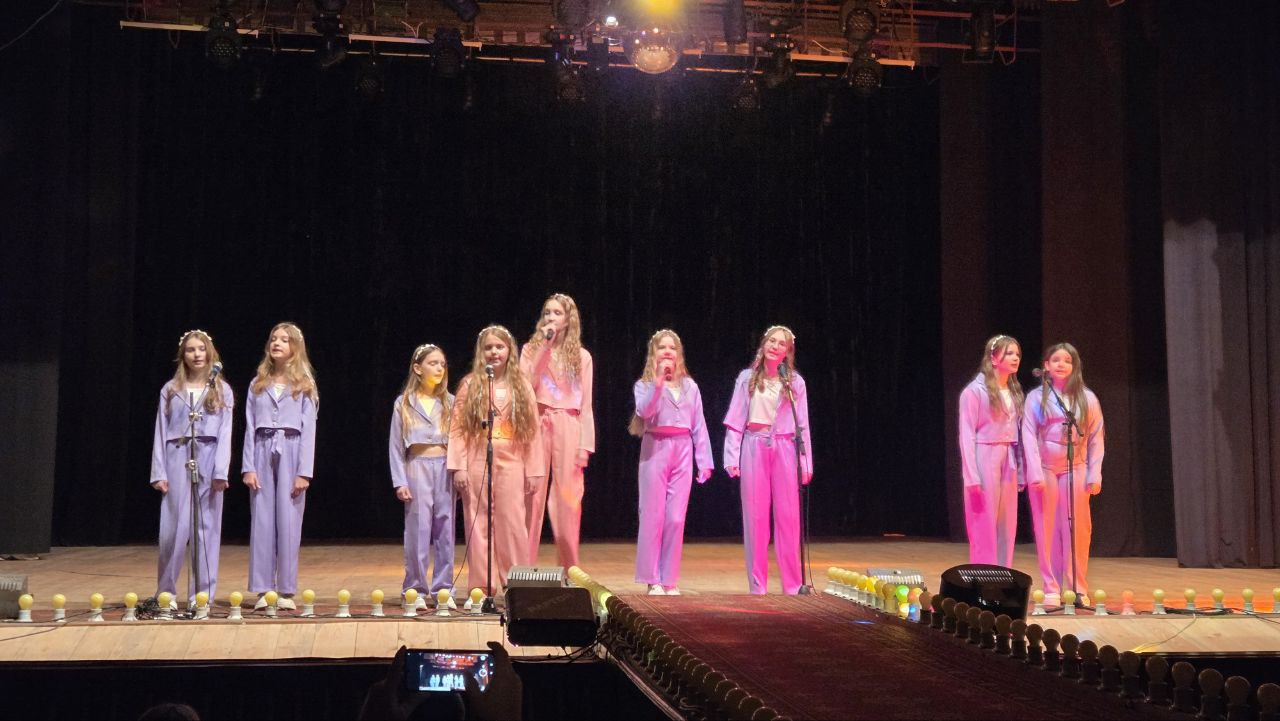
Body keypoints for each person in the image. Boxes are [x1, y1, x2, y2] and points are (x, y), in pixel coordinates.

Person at [448, 325, 545, 597]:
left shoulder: (521, 385)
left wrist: (534, 470)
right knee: (478, 521)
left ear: (509, 350)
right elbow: (458, 428)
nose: (494, 352)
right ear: (481, 352)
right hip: (479, 455)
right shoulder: (470, 385)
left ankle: (517, 584)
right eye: (488, 347)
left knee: (512, 522)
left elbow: (532, 431)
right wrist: (459, 466)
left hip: (513, 457)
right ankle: (482, 587)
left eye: (499, 347)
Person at [723, 326, 813, 595]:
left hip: (785, 447)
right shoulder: (746, 378)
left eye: (781, 344)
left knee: (788, 517)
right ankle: (758, 586)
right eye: (772, 341)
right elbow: (735, 419)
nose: (775, 346)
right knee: (756, 518)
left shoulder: (795, 382)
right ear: (763, 345)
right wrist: (731, 455)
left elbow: (802, 425)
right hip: (755, 445)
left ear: (788, 351)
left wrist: (805, 462)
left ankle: (793, 584)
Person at [150, 329, 233, 609]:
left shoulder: (221, 390)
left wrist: (221, 471)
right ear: (182, 355)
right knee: (173, 529)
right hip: (177, 455)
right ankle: (166, 593)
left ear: (210, 352)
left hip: (208, 456)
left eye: (201, 349)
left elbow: (225, 432)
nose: (197, 354)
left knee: (206, 529)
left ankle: (202, 596)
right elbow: (161, 432)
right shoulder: (171, 389)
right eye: (190, 350)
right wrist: (159, 472)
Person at [630, 330, 713, 596]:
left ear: (679, 354)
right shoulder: (644, 385)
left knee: (676, 518)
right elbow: (645, 411)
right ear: (653, 354)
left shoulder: (690, 386)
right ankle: (651, 578)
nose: (667, 351)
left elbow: (699, 424)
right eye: (662, 347)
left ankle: (669, 579)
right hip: (656, 448)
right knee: (652, 515)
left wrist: (704, 460)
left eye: (672, 348)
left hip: (682, 449)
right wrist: (658, 382)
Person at [1022, 342, 1105, 607]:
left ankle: (1078, 586)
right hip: (1046, 467)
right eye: (1056, 360)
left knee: (1077, 528)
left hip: (1076, 466)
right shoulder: (1036, 397)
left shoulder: (1087, 398)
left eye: (1067, 360)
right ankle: (1051, 586)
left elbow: (1096, 437)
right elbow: (1028, 434)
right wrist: (1034, 471)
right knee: (1046, 527)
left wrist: (1095, 473)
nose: (1061, 364)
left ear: (1074, 366)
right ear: (1046, 365)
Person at [243, 322, 318, 610]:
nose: (277, 343)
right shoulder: (257, 383)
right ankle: (264, 589)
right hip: (263, 448)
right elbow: (249, 426)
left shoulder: (304, 385)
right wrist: (248, 466)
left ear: (295, 348)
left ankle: (286, 590)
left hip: (291, 448)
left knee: (288, 520)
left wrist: (303, 472)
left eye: (284, 340)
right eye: (274, 338)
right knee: (262, 520)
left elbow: (309, 430)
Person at [519, 293, 595, 568]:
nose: (551, 317)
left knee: (568, 499)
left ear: (568, 320)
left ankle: (569, 568)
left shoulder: (582, 357)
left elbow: (586, 404)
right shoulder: (530, 349)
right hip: (538, 420)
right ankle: (522, 567)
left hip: (568, 423)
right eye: (547, 312)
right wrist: (544, 346)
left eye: (557, 313)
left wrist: (585, 445)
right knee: (532, 493)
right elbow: (526, 384)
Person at [390, 343, 456, 610]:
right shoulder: (404, 403)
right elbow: (396, 445)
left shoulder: (450, 402)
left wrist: (458, 471)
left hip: (444, 466)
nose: (439, 368)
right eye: (433, 363)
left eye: (442, 363)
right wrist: (400, 481)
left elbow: (460, 441)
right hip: (417, 466)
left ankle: (444, 589)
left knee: (445, 529)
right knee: (418, 529)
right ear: (418, 368)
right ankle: (415, 588)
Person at [957, 334, 1024, 568]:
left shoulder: (1014, 391)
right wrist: (971, 476)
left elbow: (1018, 434)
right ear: (994, 359)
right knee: (984, 521)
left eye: (1017, 354)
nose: (1015, 358)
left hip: (1008, 458)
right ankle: (984, 574)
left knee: (1007, 523)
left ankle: (1003, 574)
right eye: (1009, 353)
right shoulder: (974, 392)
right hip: (985, 456)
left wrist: (1021, 470)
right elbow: (966, 434)